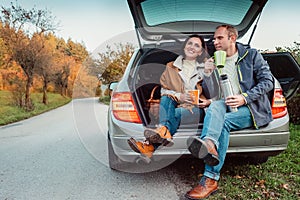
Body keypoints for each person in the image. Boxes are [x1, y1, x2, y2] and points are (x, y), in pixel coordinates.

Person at [185, 25, 274, 199]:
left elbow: (267, 82)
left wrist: (245, 97)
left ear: (232, 38)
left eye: (219, 38)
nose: (214, 41)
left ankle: (210, 177)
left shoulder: (252, 55)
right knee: (216, 105)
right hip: (224, 104)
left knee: (223, 122)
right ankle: (209, 143)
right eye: (214, 39)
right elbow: (213, 93)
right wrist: (208, 74)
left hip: (251, 108)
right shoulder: (216, 60)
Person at [127, 35, 212, 162]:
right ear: (184, 47)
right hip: (177, 105)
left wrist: (207, 73)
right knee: (167, 98)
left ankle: (151, 145)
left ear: (200, 51)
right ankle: (163, 130)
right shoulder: (171, 66)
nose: (192, 47)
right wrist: (180, 96)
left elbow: (215, 90)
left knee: (173, 114)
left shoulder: (206, 67)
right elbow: (164, 90)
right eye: (190, 43)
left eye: (197, 45)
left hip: (196, 109)